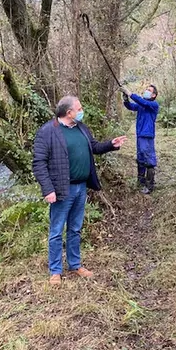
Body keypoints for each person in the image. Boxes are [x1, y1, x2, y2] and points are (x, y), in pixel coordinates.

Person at [33, 95, 127, 284]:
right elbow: (39, 163)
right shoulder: (48, 131)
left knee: (75, 228)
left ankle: (75, 265)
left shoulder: (81, 128)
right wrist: (48, 189)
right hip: (61, 189)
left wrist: (111, 144)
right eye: (79, 108)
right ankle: (55, 271)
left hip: (81, 188)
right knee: (57, 231)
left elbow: (93, 147)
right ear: (69, 112)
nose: (81, 111)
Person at [122, 84, 159, 194]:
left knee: (149, 159)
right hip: (139, 135)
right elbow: (131, 106)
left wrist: (131, 93)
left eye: (149, 90)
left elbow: (143, 102)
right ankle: (141, 182)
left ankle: (150, 185)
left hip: (147, 136)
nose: (146, 91)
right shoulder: (142, 105)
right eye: (146, 89)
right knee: (140, 158)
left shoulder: (153, 105)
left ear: (154, 95)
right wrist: (126, 98)